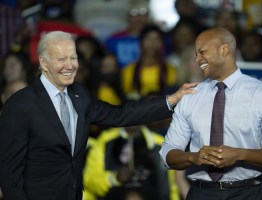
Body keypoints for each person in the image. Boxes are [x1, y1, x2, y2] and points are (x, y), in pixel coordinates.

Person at [0, 31, 197, 200]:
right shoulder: (20, 105)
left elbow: (121, 115)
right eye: (61, 59)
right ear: (43, 62)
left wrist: (171, 100)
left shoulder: (79, 95)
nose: (70, 66)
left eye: (73, 58)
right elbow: (9, 172)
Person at [159, 27, 262, 200]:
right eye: (195, 54)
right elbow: (167, 153)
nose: (197, 59)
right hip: (201, 193)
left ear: (224, 49)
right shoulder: (190, 97)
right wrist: (194, 157)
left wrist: (240, 154)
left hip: (249, 193)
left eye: (202, 52)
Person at [83, 125, 180, 200]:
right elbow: (89, 180)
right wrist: (114, 178)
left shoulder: (159, 144)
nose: (133, 117)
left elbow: (171, 187)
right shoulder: (105, 141)